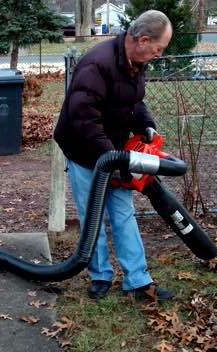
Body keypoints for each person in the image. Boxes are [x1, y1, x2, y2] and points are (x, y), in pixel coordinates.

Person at [53, 10, 174, 301]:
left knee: (123, 213)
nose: (159, 54)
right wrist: (114, 159)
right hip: (84, 150)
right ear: (143, 40)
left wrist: (146, 124)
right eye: (158, 48)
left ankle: (137, 280)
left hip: (114, 152)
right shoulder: (97, 65)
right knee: (91, 214)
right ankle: (100, 275)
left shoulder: (135, 62)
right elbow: (85, 121)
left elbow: (134, 101)